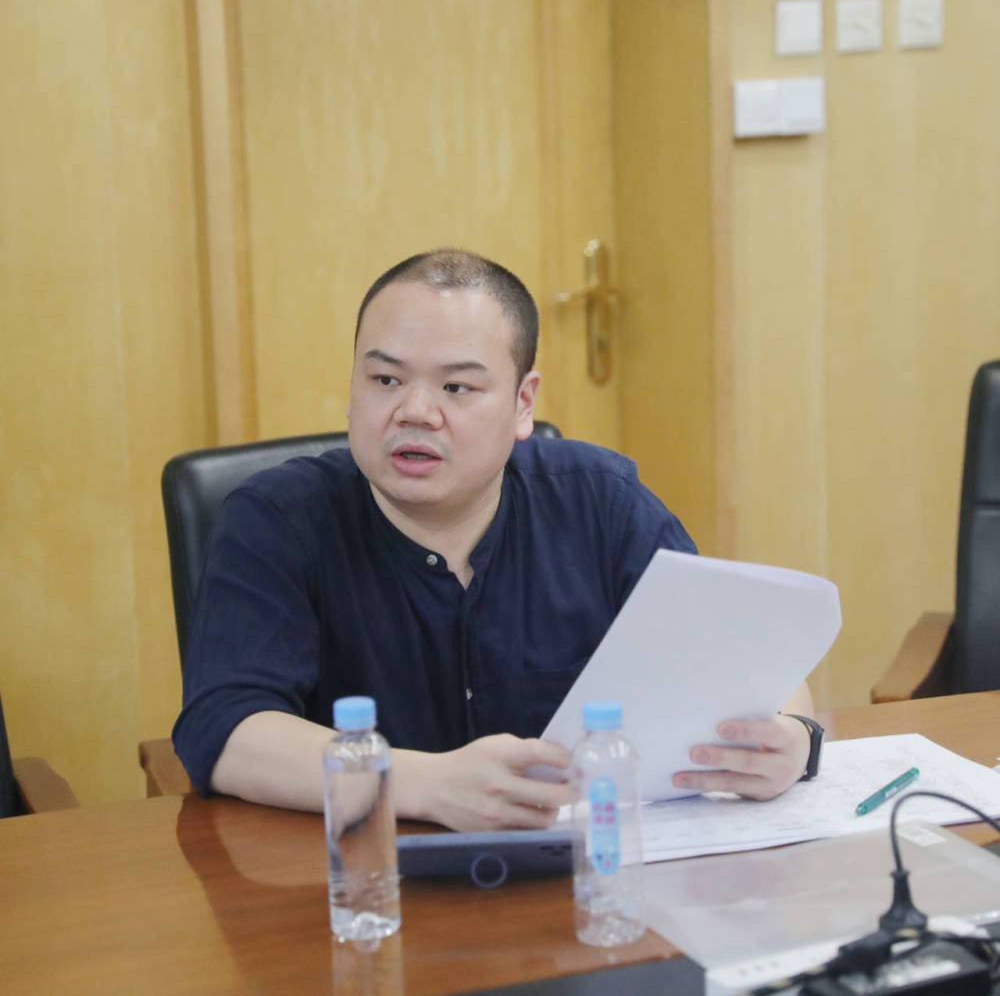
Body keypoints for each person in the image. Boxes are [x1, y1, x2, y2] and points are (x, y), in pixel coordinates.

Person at [173, 248, 816, 830]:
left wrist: (792, 736)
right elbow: (226, 730)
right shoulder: (277, 519)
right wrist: (423, 784)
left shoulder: (599, 501)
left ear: (522, 403)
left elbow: (743, 650)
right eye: (385, 380)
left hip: (579, 882)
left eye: (457, 387)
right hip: (363, 884)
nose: (415, 412)